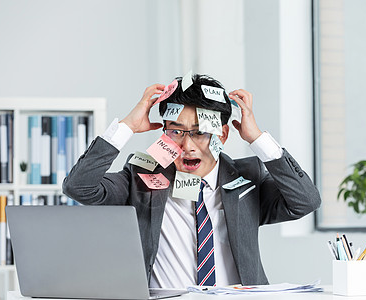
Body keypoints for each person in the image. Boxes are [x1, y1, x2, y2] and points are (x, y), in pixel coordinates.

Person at [63, 74, 321, 288]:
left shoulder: (248, 178)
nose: (187, 146)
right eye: (175, 131)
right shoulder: (142, 175)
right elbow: (79, 187)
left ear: (223, 133)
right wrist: (126, 127)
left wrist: (257, 139)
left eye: (200, 133)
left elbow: (305, 201)